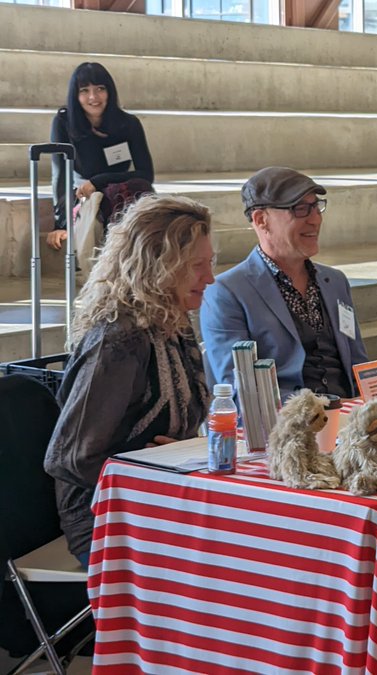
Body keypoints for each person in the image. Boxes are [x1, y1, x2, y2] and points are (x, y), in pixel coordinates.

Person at [43, 195, 214, 568]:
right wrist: (152, 469)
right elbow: (69, 458)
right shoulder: (118, 341)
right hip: (104, 517)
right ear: (161, 266)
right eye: (198, 266)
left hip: (160, 498)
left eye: (210, 263)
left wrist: (178, 457)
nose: (210, 278)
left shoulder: (174, 323)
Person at [200, 167, 368, 401]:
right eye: (300, 209)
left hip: (350, 420)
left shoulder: (335, 282)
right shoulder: (227, 293)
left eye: (316, 206)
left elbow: (359, 365)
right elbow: (240, 391)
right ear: (261, 220)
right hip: (286, 426)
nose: (315, 219)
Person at [46, 62, 155, 252]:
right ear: (75, 95)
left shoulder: (128, 123)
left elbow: (146, 174)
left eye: (100, 89)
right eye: (84, 90)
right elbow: (61, 176)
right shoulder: (64, 123)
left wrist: (99, 181)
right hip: (84, 194)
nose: (93, 97)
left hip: (121, 190)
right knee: (120, 198)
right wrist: (60, 224)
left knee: (138, 189)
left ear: (109, 91)